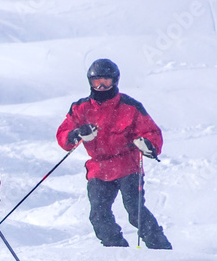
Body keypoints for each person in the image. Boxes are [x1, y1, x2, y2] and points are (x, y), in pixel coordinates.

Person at [56, 58, 172, 249]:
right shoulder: (80, 108)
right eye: (96, 82)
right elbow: (63, 134)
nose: (101, 86)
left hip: (128, 166)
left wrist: (148, 145)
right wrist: (77, 134)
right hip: (99, 169)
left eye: (106, 82)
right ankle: (117, 250)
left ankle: (161, 248)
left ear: (115, 81)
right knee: (98, 215)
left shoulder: (130, 106)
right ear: (90, 82)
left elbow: (151, 131)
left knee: (135, 211)